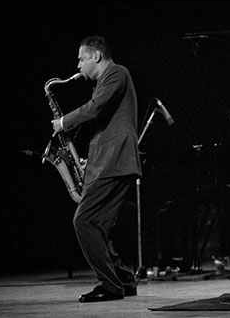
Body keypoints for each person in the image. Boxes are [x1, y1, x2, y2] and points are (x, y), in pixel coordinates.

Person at [52, 36, 142, 302]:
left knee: (84, 221)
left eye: (81, 59)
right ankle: (124, 279)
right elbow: (109, 126)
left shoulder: (116, 73)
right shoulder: (107, 80)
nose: (78, 66)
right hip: (109, 160)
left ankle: (110, 285)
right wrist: (90, 161)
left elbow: (95, 109)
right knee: (99, 225)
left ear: (97, 56)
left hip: (115, 162)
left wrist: (64, 122)